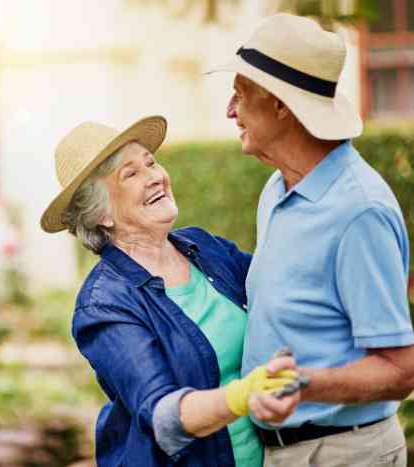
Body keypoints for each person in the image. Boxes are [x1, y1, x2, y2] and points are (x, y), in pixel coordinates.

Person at [210, 13, 414, 467]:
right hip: (286, 453)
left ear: (282, 105)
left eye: (240, 95)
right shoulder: (277, 190)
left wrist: (304, 385)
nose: (229, 110)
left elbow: (401, 370)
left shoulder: (359, 211)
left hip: (346, 453)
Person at [40, 115, 302, 467]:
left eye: (151, 162)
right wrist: (245, 396)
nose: (155, 177)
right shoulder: (103, 304)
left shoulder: (204, 248)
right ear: (101, 213)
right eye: (131, 174)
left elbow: (283, 284)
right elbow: (163, 416)